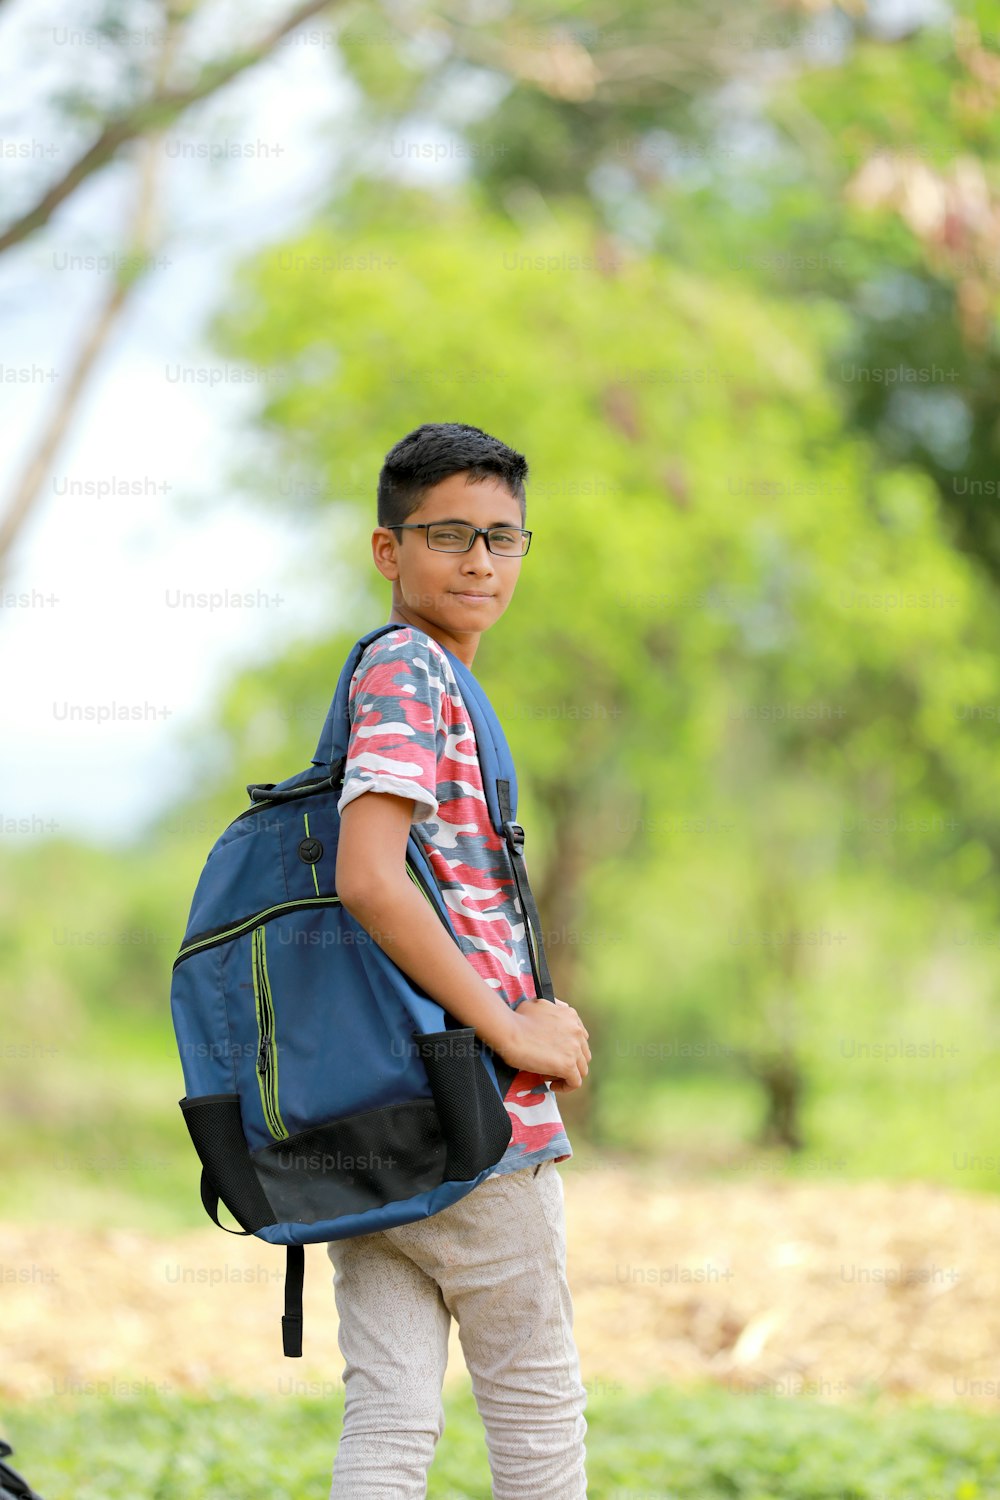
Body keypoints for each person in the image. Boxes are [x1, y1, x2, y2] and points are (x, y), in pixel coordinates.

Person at [327, 421, 592, 1499]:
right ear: (389, 552)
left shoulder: (417, 678)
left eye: (502, 539)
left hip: (371, 1117)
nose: (480, 561)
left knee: (389, 1420)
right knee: (535, 1415)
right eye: (448, 535)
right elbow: (369, 875)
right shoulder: (408, 671)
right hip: (471, 1114)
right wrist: (512, 1028)